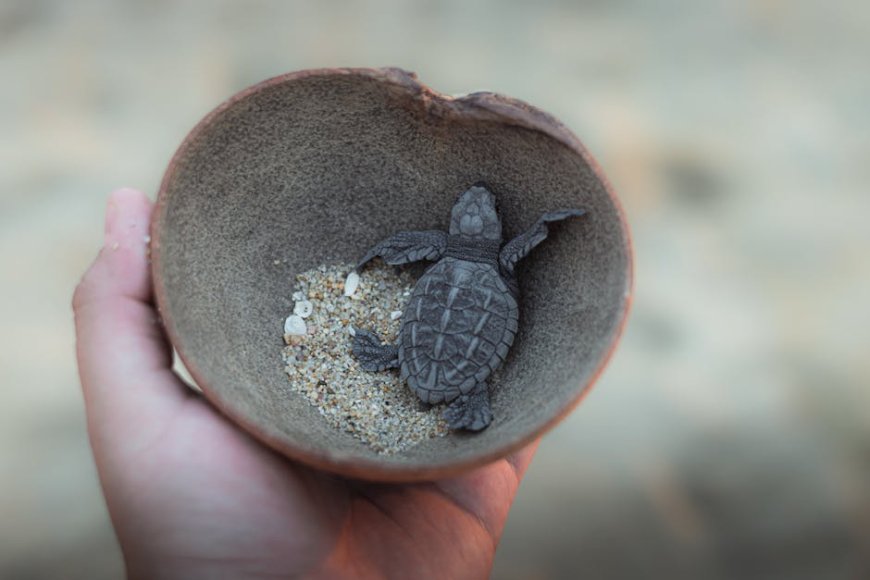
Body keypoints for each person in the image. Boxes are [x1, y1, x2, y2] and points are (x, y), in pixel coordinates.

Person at [72, 188, 539, 579]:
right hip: (471, 349)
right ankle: (458, 387)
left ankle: (391, 357)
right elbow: (519, 250)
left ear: (460, 230)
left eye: (482, 209)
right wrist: (542, 229)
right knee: (462, 341)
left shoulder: (440, 249)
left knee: (429, 325)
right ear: (491, 233)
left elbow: (405, 248)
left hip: (418, 350)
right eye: (470, 207)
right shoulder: (501, 260)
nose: (477, 203)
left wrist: (379, 254)